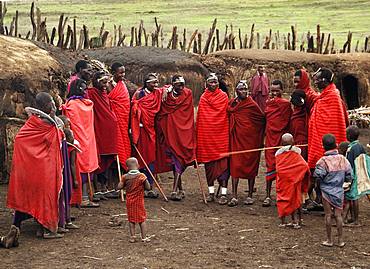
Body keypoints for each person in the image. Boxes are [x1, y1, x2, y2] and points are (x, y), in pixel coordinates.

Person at [5, 92, 63, 244]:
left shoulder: (34, 123)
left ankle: (22, 226)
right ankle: (46, 229)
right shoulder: (42, 125)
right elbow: (23, 141)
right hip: (44, 169)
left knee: (29, 196)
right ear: (45, 106)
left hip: (34, 167)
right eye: (52, 103)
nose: (55, 105)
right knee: (45, 197)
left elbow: (21, 140)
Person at [156, 75, 196, 201]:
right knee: (174, 161)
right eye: (178, 84)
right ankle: (179, 189)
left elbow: (187, 113)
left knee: (179, 159)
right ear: (172, 84)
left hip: (183, 132)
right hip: (169, 132)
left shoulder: (187, 93)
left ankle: (175, 190)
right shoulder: (166, 95)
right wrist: (165, 89)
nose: (182, 87)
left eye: (183, 84)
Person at [62, 78, 99, 207]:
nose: (84, 91)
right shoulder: (71, 104)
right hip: (78, 138)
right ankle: (81, 198)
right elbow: (71, 122)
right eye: (82, 88)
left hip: (88, 137)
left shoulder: (86, 103)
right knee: (80, 167)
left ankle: (86, 196)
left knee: (87, 165)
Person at [227, 80, 265, 206]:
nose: (244, 91)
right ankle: (234, 195)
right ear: (236, 91)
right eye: (241, 89)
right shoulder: (232, 103)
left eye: (245, 89)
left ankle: (249, 195)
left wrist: (256, 135)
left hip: (250, 140)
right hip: (236, 139)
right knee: (235, 165)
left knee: (251, 165)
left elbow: (261, 119)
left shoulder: (251, 104)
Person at [313, 134, 352, 247]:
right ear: (336, 145)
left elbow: (318, 176)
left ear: (323, 146)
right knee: (338, 215)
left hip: (326, 191)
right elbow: (349, 175)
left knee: (328, 215)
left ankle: (329, 240)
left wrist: (319, 186)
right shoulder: (343, 159)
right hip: (339, 191)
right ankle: (340, 240)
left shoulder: (322, 161)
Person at [196, 73, 229, 205]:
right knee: (209, 168)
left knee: (223, 167)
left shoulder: (223, 96)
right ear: (206, 84)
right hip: (207, 137)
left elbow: (225, 115)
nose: (213, 84)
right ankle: (210, 193)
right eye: (211, 82)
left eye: (215, 82)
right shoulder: (203, 98)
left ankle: (223, 194)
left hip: (221, 136)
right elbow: (201, 118)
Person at [131, 73, 163, 198]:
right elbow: (133, 112)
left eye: (156, 83)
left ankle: (150, 186)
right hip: (140, 130)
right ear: (146, 83)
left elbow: (167, 89)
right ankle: (139, 187)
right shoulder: (139, 94)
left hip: (151, 130)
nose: (155, 85)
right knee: (140, 158)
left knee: (151, 157)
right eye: (152, 83)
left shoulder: (157, 94)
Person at [88, 71, 118, 196]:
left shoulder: (105, 94)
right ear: (95, 81)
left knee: (108, 158)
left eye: (107, 82)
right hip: (99, 130)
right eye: (103, 82)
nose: (105, 85)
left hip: (109, 132)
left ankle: (105, 186)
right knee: (99, 158)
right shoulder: (91, 93)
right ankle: (98, 188)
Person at [263, 80, 292, 207]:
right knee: (270, 166)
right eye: (272, 90)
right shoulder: (268, 104)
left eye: (277, 90)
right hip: (270, 139)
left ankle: (282, 194)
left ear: (282, 90)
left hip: (281, 140)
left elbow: (288, 122)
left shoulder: (285, 105)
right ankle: (268, 195)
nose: (274, 93)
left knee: (283, 168)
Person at [275, 133, 310, 228]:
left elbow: (279, 169)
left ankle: (283, 222)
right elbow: (304, 166)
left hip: (283, 182)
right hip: (294, 181)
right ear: (293, 142)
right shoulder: (296, 153)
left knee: (282, 199)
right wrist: (299, 175)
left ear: (281, 143)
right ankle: (296, 221)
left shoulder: (278, 154)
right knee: (296, 200)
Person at [117, 157, 151, 243]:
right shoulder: (142, 176)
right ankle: (144, 237)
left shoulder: (125, 177)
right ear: (138, 165)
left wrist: (124, 184)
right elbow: (148, 188)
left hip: (130, 201)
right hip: (139, 201)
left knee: (131, 220)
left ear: (127, 168)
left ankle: (132, 237)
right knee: (142, 220)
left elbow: (119, 187)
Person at [344, 125, 370, 226]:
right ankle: (352, 218)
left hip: (353, 175)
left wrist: (348, 178)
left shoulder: (351, 149)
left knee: (353, 197)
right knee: (352, 197)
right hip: (360, 173)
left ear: (349, 136)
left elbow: (349, 165)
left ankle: (356, 220)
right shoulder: (360, 146)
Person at [108, 62, 131, 170]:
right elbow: (109, 102)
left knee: (124, 142)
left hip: (123, 119)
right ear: (113, 73)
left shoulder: (122, 85)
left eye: (124, 72)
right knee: (116, 144)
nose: (123, 75)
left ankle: (124, 169)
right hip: (114, 119)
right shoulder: (107, 85)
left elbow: (125, 104)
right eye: (120, 73)